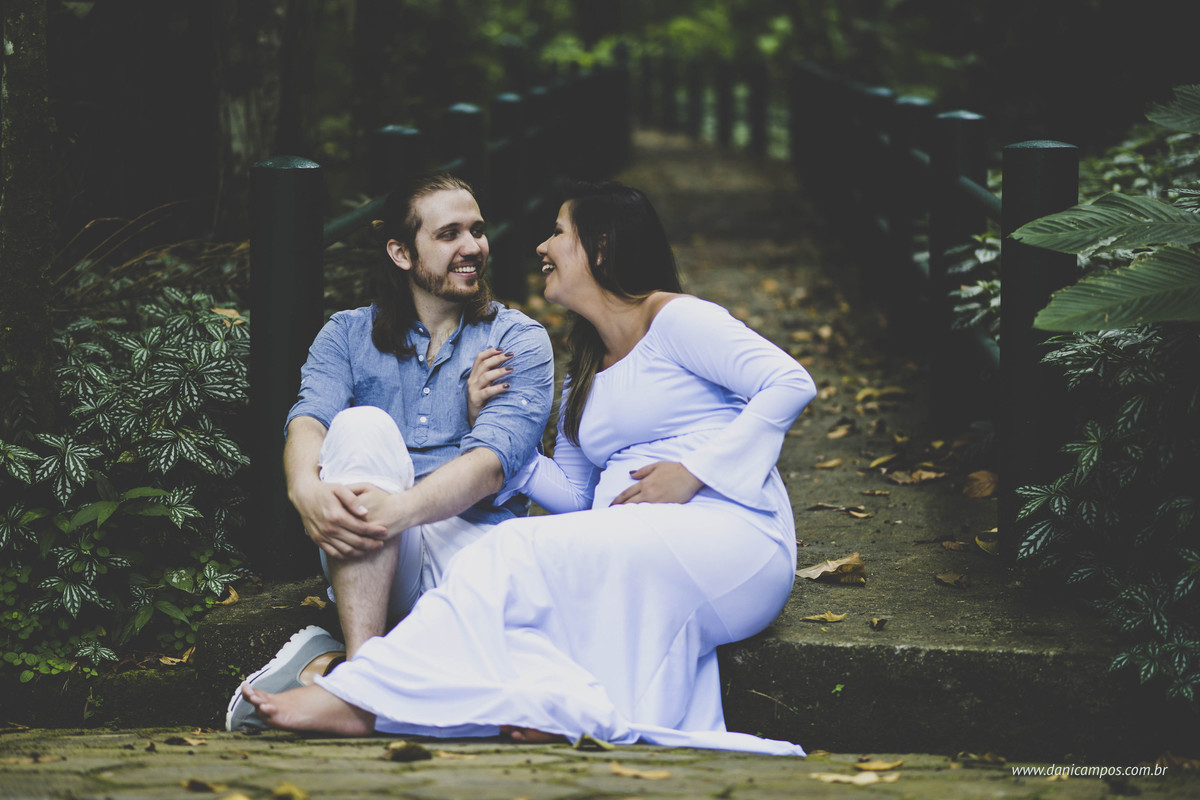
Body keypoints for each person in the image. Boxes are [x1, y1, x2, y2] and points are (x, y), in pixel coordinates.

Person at [237, 181, 817, 756]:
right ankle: (509, 701)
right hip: (638, 541)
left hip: (722, 526)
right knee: (519, 549)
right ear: (401, 252)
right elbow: (572, 499)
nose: (540, 246)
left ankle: (363, 694)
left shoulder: (677, 319)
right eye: (450, 233)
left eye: (558, 232)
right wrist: (480, 423)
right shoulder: (584, 376)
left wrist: (694, 470)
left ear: (601, 247)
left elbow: (789, 381)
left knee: (509, 549)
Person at [225, 172, 554, 730]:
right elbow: (309, 418)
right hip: (379, 558)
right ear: (401, 253)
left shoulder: (517, 340)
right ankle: (366, 670)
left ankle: (332, 673)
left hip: (476, 555)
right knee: (361, 425)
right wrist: (304, 488)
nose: (473, 247)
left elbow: (493, 465)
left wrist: (394, 510)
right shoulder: (347, 335)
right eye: (449, 234)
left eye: (477, 230)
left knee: (525, 710)